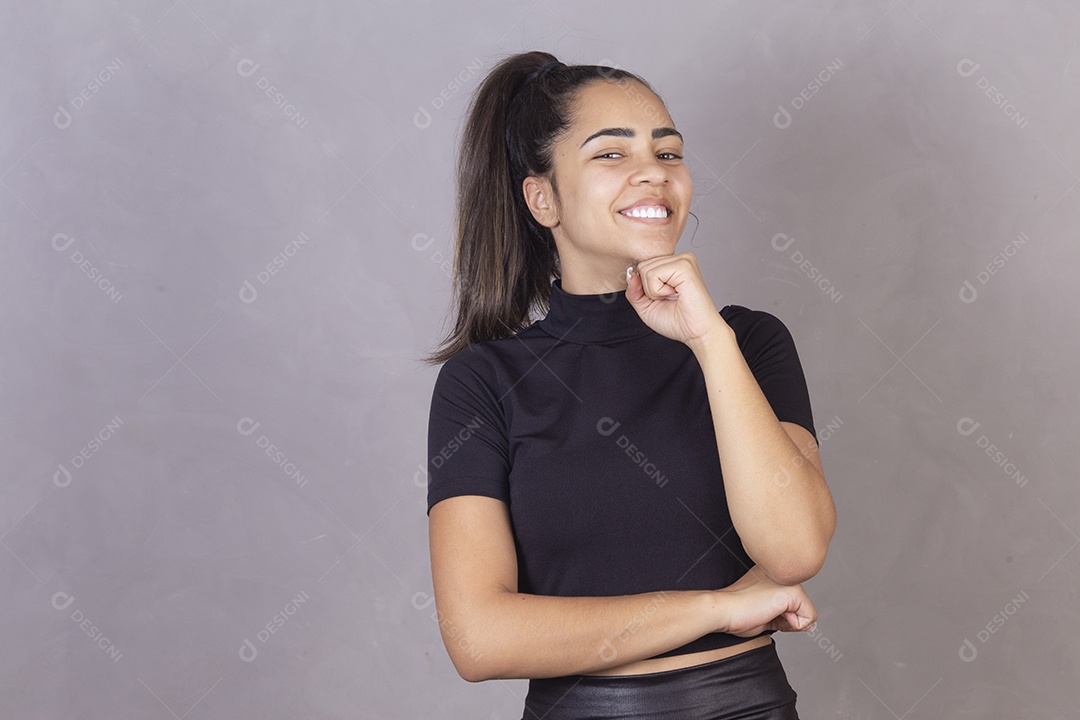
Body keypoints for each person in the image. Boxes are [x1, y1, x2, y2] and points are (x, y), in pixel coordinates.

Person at [422, 50, 836, 720]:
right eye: (611, 155)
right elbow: (479, 638)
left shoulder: (748, 343)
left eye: (668, 153)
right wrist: (717, 607)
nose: (654, 173)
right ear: (543, 197)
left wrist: (708, 341)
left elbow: (795, 547)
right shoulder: (485, 383)